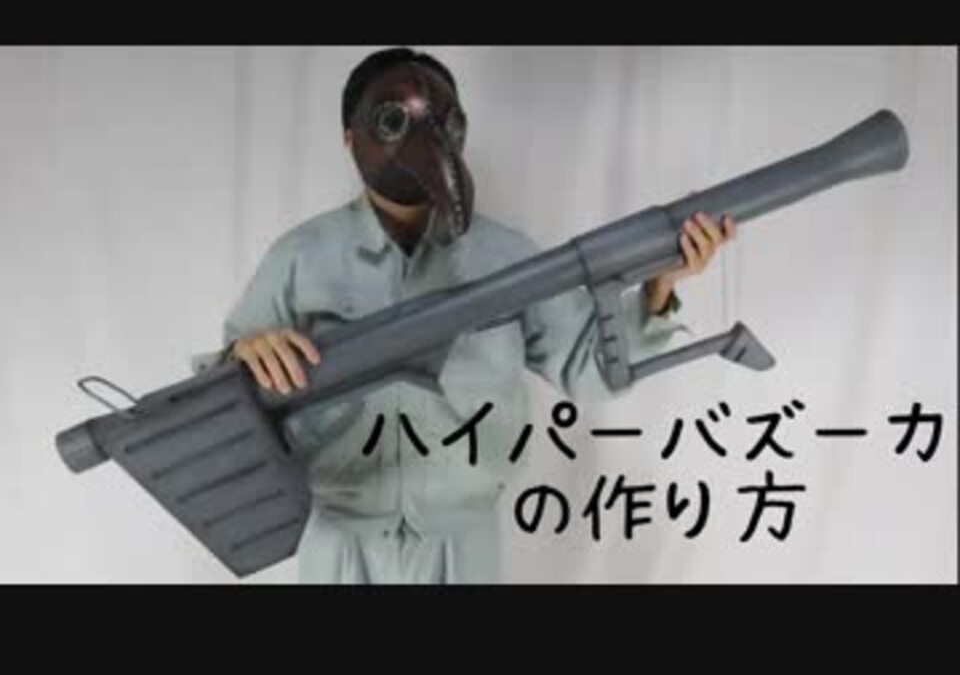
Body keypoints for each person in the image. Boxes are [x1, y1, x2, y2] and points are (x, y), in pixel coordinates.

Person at [213, 47, 736, 584]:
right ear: (350, 137)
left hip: (462, 541)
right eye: (393, 120)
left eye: (442, 121)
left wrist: (658, 288)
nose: (421, 139)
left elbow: (591, 369)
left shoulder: (507, 258)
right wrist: (242, 355)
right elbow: (218, 401)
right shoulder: (300, 258)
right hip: (339, 539)